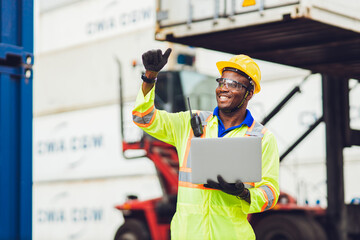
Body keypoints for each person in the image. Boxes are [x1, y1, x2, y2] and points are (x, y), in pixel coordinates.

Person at [132, 48, 279, 240]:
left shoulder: (262, 138)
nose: (224, 88)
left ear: (249, 93)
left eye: (233, 84)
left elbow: (270, 193)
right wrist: (150, 78)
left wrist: (243, 193)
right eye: (222, 81)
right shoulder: (190, 123)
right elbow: (143, 118)